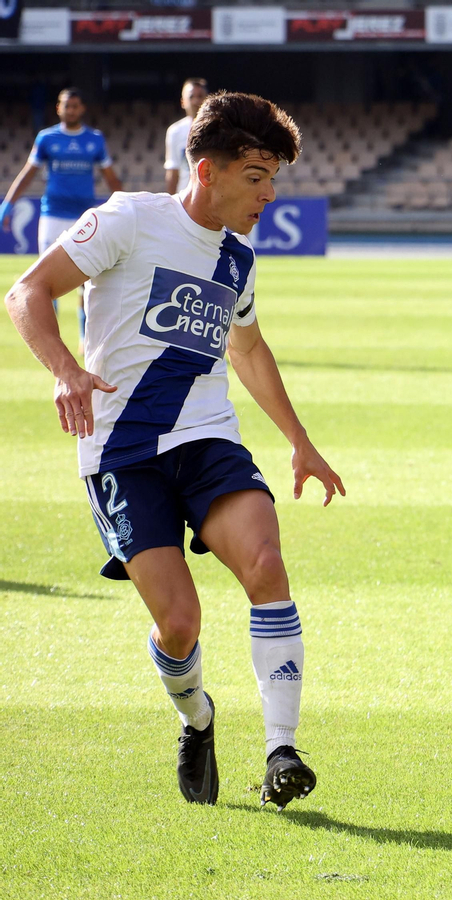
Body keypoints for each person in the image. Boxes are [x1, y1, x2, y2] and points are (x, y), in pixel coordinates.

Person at [2, 92, 343, 809]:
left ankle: (282, 749)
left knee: (266, 563)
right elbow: (28, 293)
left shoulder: (238, 260)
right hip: (120, 451)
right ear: (206, 168)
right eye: (256, 176)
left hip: (206, 435)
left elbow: (247, 351)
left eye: (274, 177)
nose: (269, 194)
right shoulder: (129, 218)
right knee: (179, 624)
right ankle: (197, 719)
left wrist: (301, 443)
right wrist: (66, 370)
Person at [0, 88, 123, 336]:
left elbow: (111, 179)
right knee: (45, 279)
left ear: (82, 109)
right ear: (59, 108)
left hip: (84, 216)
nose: (71, 110)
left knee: (88, 278)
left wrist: (125, 204)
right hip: (52, 214)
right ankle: (51, 337)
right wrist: (8, 204)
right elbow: (28, 174)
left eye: (75, 105)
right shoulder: (47, 138)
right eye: (67, 105)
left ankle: (82, 333)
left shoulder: (95, 139)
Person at [165, 78, 210, 196]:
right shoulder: (175, 131)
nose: (196, 101)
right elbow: (173, 171)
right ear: (182, 102)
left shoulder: (220, 129)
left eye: (200, 96)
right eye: (191, 97)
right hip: (186, 199)